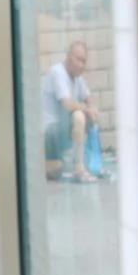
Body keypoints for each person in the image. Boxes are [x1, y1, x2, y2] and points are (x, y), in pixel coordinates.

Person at [43, 39, 98, 182]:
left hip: (62, 130)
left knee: (85, 114)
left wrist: (92, 108)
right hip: (50, 132)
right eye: (78, 60)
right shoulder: (58, 73)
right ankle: (78, 169)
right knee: (79, 116)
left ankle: (68, 165)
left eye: (84, 61)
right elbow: (67, 104)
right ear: (68, 58)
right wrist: (86, 110)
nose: (82, 65)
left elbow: (88, 96)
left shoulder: (77, 78)